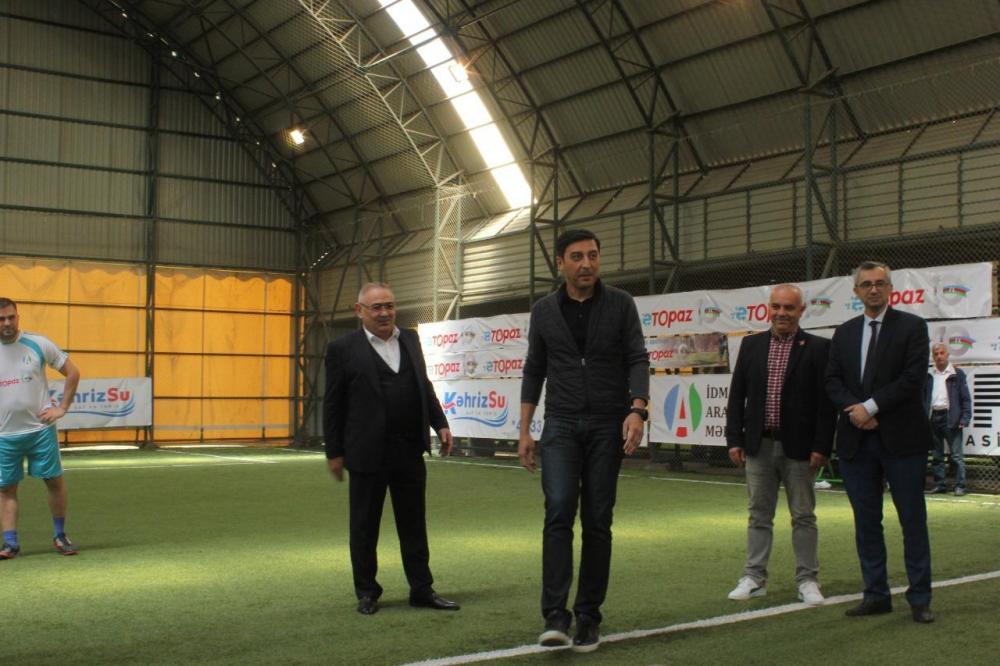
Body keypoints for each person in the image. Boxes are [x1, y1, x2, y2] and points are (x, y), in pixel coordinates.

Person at [518, 229, 649, 653]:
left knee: (597, 520)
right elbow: (534, 368)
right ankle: (555, 616)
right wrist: (524, 430)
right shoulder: (543, 311)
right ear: (560, 262)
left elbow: (637, 357)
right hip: (559, 425)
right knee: (558, 510)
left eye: (593, 255)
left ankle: (588, 616)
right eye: (577, 257)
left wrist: (637, 409)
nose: (587, 264)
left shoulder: (621, 304)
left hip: (607, 425)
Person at [323, 283, 459, 616]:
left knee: (414, 524)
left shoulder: (410, 339)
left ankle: (421, 589)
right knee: (364, 526)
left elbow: (424, 385)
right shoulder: (341, 349)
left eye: (390, 306)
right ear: (359, 311)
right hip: (366, 453)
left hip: (409, 449)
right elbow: (333, 404)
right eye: (377, 307)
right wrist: (334, 452)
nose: (385, 313)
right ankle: (367, 592)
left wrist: (440, 423)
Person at [825, 261, 935, 624]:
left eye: (880, 283)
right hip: (857, 443)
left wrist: (870, 407)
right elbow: (832, 381)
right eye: (867, 284)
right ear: (856, 291)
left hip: (903, 441)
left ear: (890, 288)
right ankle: (876, 595)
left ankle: (920, 598)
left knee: (912, 520)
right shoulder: (844, 333)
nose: (873, 289)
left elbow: (912, 378)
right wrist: (854, 410)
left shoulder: (913, 327)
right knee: (867, 522)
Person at [725, 284, 835, 606]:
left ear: (801, 310)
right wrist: (734, 439)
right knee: (758, 515)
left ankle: (807, 580)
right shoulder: (751, 345)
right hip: (758, 446)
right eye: (776, 307)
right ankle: (754, 578)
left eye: (789, 307)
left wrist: (821, 446)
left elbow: (826, 405)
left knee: (803, 516)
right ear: (768, 309)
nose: (782, 313)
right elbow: (737, 395)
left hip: (800, 450)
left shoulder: (818, 348)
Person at [0, 297, 81, 559]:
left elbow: (73, 373)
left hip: (40, 430)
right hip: (4, 436)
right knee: (5, 489)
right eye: (1, 319)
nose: (7, 323)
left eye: (11, 317)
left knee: (54, 481)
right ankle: (10, 544)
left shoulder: (38, 343)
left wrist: (62, 408)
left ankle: (60, 535)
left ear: (18, 317)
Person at [924, 342, 971, 496]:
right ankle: (940, 485)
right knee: (937, 455)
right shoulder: (929, 375)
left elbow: (965, 399)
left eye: (942, 353)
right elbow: (923, 398)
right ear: (933, 356)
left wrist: (965, 418)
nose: (939, 356)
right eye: (936, 354)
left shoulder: (957, 373)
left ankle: (960, 486)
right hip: (933, 417)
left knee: (956, 456)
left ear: (948, 354)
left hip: (951, 418)